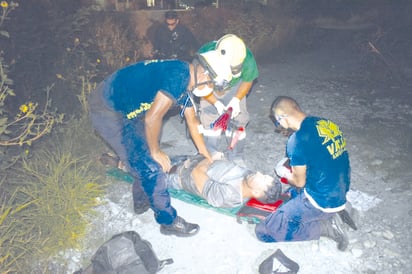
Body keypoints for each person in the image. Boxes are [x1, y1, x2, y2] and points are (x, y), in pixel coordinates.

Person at [88, 51, 232, 237]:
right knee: (151, 164)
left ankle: (142, 201)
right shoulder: (177, 77)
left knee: (141, 158)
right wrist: (156, 151)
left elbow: (192, 121)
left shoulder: (186, 77)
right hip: (108, 109)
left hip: (128, 108)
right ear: (204, 73)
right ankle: (168, 222)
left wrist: (206, 155)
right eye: (213, 84)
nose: (211, 89)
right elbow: (152, 118)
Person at [255, 96, 351, 251]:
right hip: (339, 191)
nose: (279, 126)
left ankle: (326, 227)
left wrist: (284, 174)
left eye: (278, 122)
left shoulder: (297, 140)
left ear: (283, 119)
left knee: (264, 231)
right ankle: (332, 214)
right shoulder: (325, 123)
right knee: (287, 198)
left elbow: (299, 182)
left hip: (321, 201)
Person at [197, 34, 259, 165]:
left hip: (236, 85)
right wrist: (215, 102)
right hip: (211, 84)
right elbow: (201, 86)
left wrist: (236, 99)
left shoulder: (245, 56)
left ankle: (237, 155)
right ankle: (211, 152)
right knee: (209, 117)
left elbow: (248, 80)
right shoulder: (205, 55)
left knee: (239, 119)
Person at [166, 155, 281, 208]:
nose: (259, 173)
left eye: (262, 179)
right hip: (189, 160)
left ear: (256, 192)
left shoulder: (227, 195)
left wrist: (211, 157)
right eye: (264, 175)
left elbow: (196, 172)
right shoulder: (249, 178)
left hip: (176, 175)